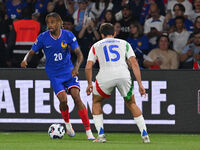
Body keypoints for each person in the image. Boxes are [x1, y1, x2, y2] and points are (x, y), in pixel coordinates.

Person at [20, 12, 94, 139]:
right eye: (48, 23)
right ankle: (68, 124)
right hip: (54, 75)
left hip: (69, 71)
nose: (50, 25)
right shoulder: (43, 37)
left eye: (52, 22)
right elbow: (32, 51)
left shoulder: (68, 35)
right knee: (63, 100)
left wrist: (76, 67)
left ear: (59, 23)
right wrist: (25, 59)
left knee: (77, 97)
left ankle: (89, 132)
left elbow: (80, 54)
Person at [85, 23, 150, 143]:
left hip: (105, 75)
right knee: (131, 103)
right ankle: (144, 134)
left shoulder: (96, 45)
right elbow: (134, 63)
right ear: (114, 33)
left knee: (96, 101)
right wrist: (140, 84)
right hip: (123, 74)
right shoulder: (125, 43)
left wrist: (89, 83)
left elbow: (88, 67)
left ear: (101, 34)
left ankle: (101, 135)